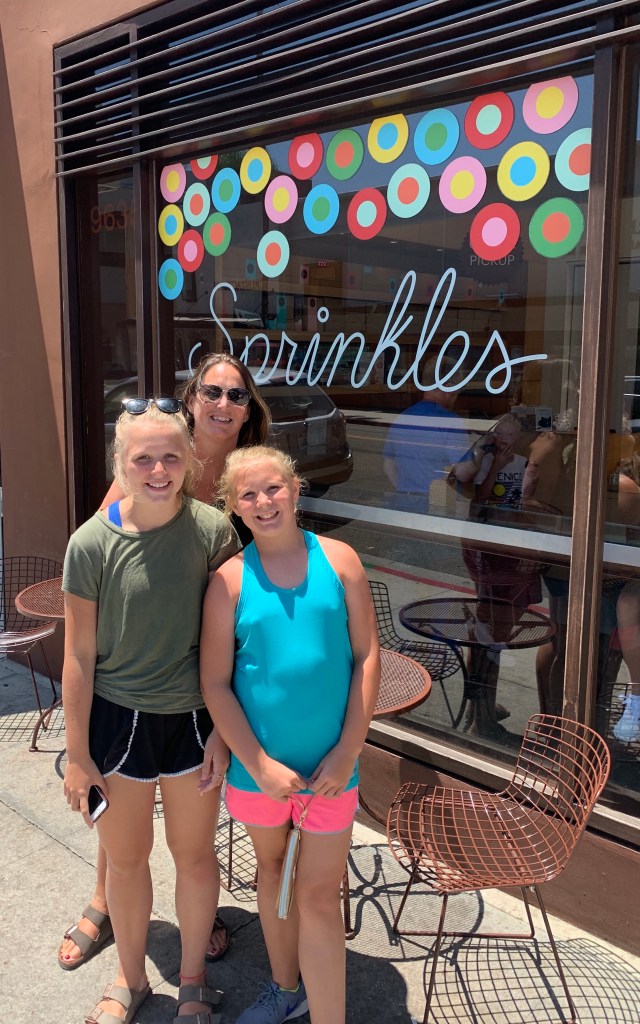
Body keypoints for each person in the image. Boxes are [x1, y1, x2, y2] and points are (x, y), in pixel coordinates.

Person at [59, 353, 271, 972]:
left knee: (192, 846)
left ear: (247, 409)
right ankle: (104, 901)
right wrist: (78, 747)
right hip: (127, 692)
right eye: (213, 391)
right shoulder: (147, 452)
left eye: (237, 394)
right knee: (123, 830)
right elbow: (106, 559)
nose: (224, 403)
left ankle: (192, 932)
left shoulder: (244, 477)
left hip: (194, 690)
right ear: (192, 398)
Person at [199, 446, 380, 1024]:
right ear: (234, 507)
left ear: (296, 489)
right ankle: (285, 988)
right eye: (248, 494)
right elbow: (215, 682)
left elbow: (367, 655)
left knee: (320, 896)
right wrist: (258, 764)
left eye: (273, 488)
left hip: (332, 769)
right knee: (273, 871)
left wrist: (349, 748)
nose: (264, 501)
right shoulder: (228, 582)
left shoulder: (341, 561)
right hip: (259, 772)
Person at [383, 354, 472, 513]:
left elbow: (388, 465)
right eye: (458, 389)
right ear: (449, 386)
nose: (457, 395)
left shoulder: (402, 418)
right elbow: (463, 473)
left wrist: (407, 490)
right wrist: (480, 453)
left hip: (403, 502)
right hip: (436, 505)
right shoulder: (450, 422)